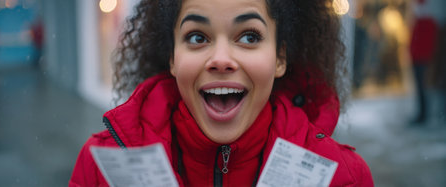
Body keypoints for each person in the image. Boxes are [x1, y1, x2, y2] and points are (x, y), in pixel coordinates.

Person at [70, 0, 374, 186]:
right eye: (198, 37)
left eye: (249, 36)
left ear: (280, 58)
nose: (221, 59)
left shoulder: (344, 178)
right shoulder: (100, 168)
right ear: (173, 58)